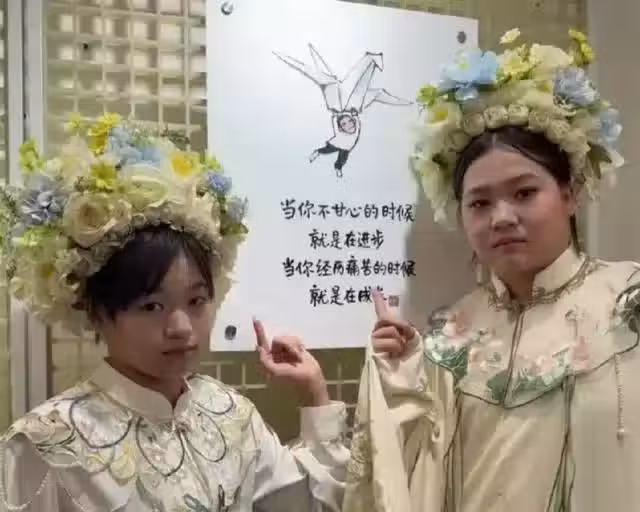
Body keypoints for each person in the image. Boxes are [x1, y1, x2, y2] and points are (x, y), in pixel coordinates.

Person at [342, 29, 639, 511]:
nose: (501, 217)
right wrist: (404, 372)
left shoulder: (628, 303)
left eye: (525, 193)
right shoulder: (450, 336)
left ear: (569, 194)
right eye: (480, 202)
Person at [0, 114, 348, 511]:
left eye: (196, 301)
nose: (181, 327)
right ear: (96, 310)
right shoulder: (47, 443)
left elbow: (302, 503)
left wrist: (314, 394)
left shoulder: (228, 413)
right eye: (152, 306)